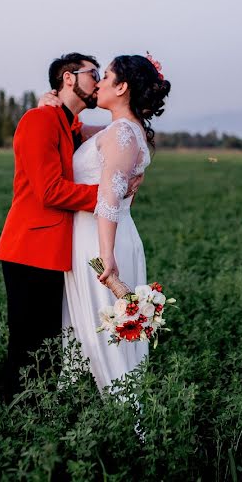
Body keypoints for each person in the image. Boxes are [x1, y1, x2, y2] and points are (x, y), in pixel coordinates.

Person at [0, 52, 142, 399]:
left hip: (59, 252)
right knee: (28, 346)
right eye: (94, 73)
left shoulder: (68, 124)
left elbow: (121, 135)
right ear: (69, 78)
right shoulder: (39, 120)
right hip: (29, 250)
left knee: (47, 346)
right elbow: (48, 191)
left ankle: (36, 410)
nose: (99, 81)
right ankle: (10, 414)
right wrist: (109, 194)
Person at [44, 54, 171, 393]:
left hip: (102, 243)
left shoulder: (123, 134)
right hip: (91, 236)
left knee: (106, 334)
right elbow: (70, 127)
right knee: (85, 330)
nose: (98, 83)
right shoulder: (117, 130)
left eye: (106, 76)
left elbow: (110, 200)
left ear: (123, 87)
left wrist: (106, 256)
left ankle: (128, 421)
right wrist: (50, 102)